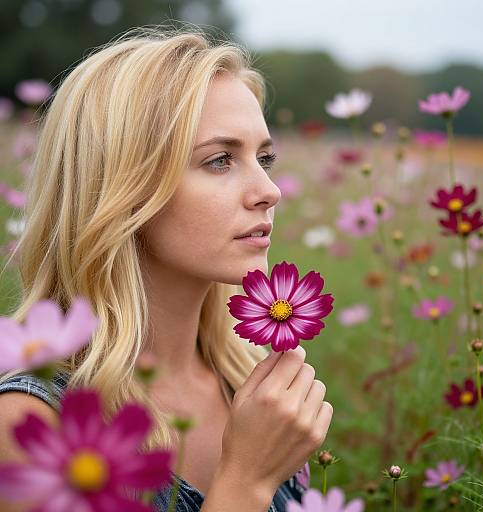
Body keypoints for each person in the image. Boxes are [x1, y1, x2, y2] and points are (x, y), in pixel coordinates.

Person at [0, 26, 333, 512]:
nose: (269, 189)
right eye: (220, 160)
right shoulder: (32, 423)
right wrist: (246, 482)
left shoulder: (249, 379)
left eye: (264, 157)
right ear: (120, 189)